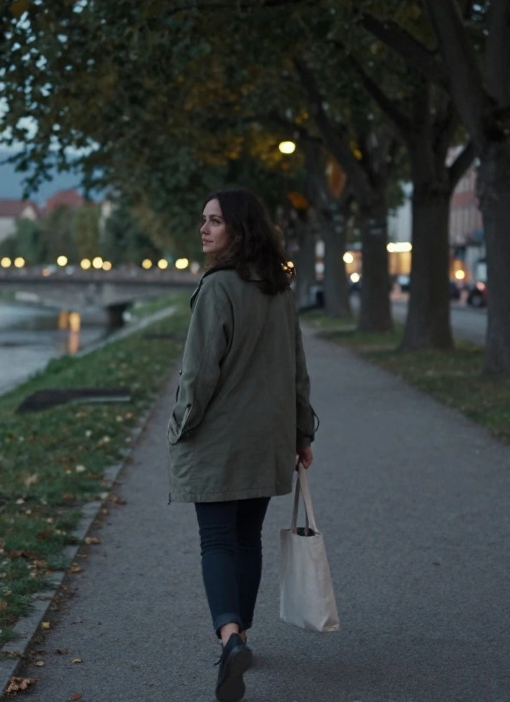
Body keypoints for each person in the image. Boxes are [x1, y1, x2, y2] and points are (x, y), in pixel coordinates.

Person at [167, 188, 316, 702]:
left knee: (216, 541)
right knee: (247, 538)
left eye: (214, 221)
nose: (203, 229)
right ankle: (244, 637)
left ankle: (230, 638)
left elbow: (199, 373)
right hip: (267, 437)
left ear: (239, 228)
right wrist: (302, 434)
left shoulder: (218, 288)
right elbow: (298, 369)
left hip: (219, 438)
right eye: (202, 219)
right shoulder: (279, 288)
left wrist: (180, 427)